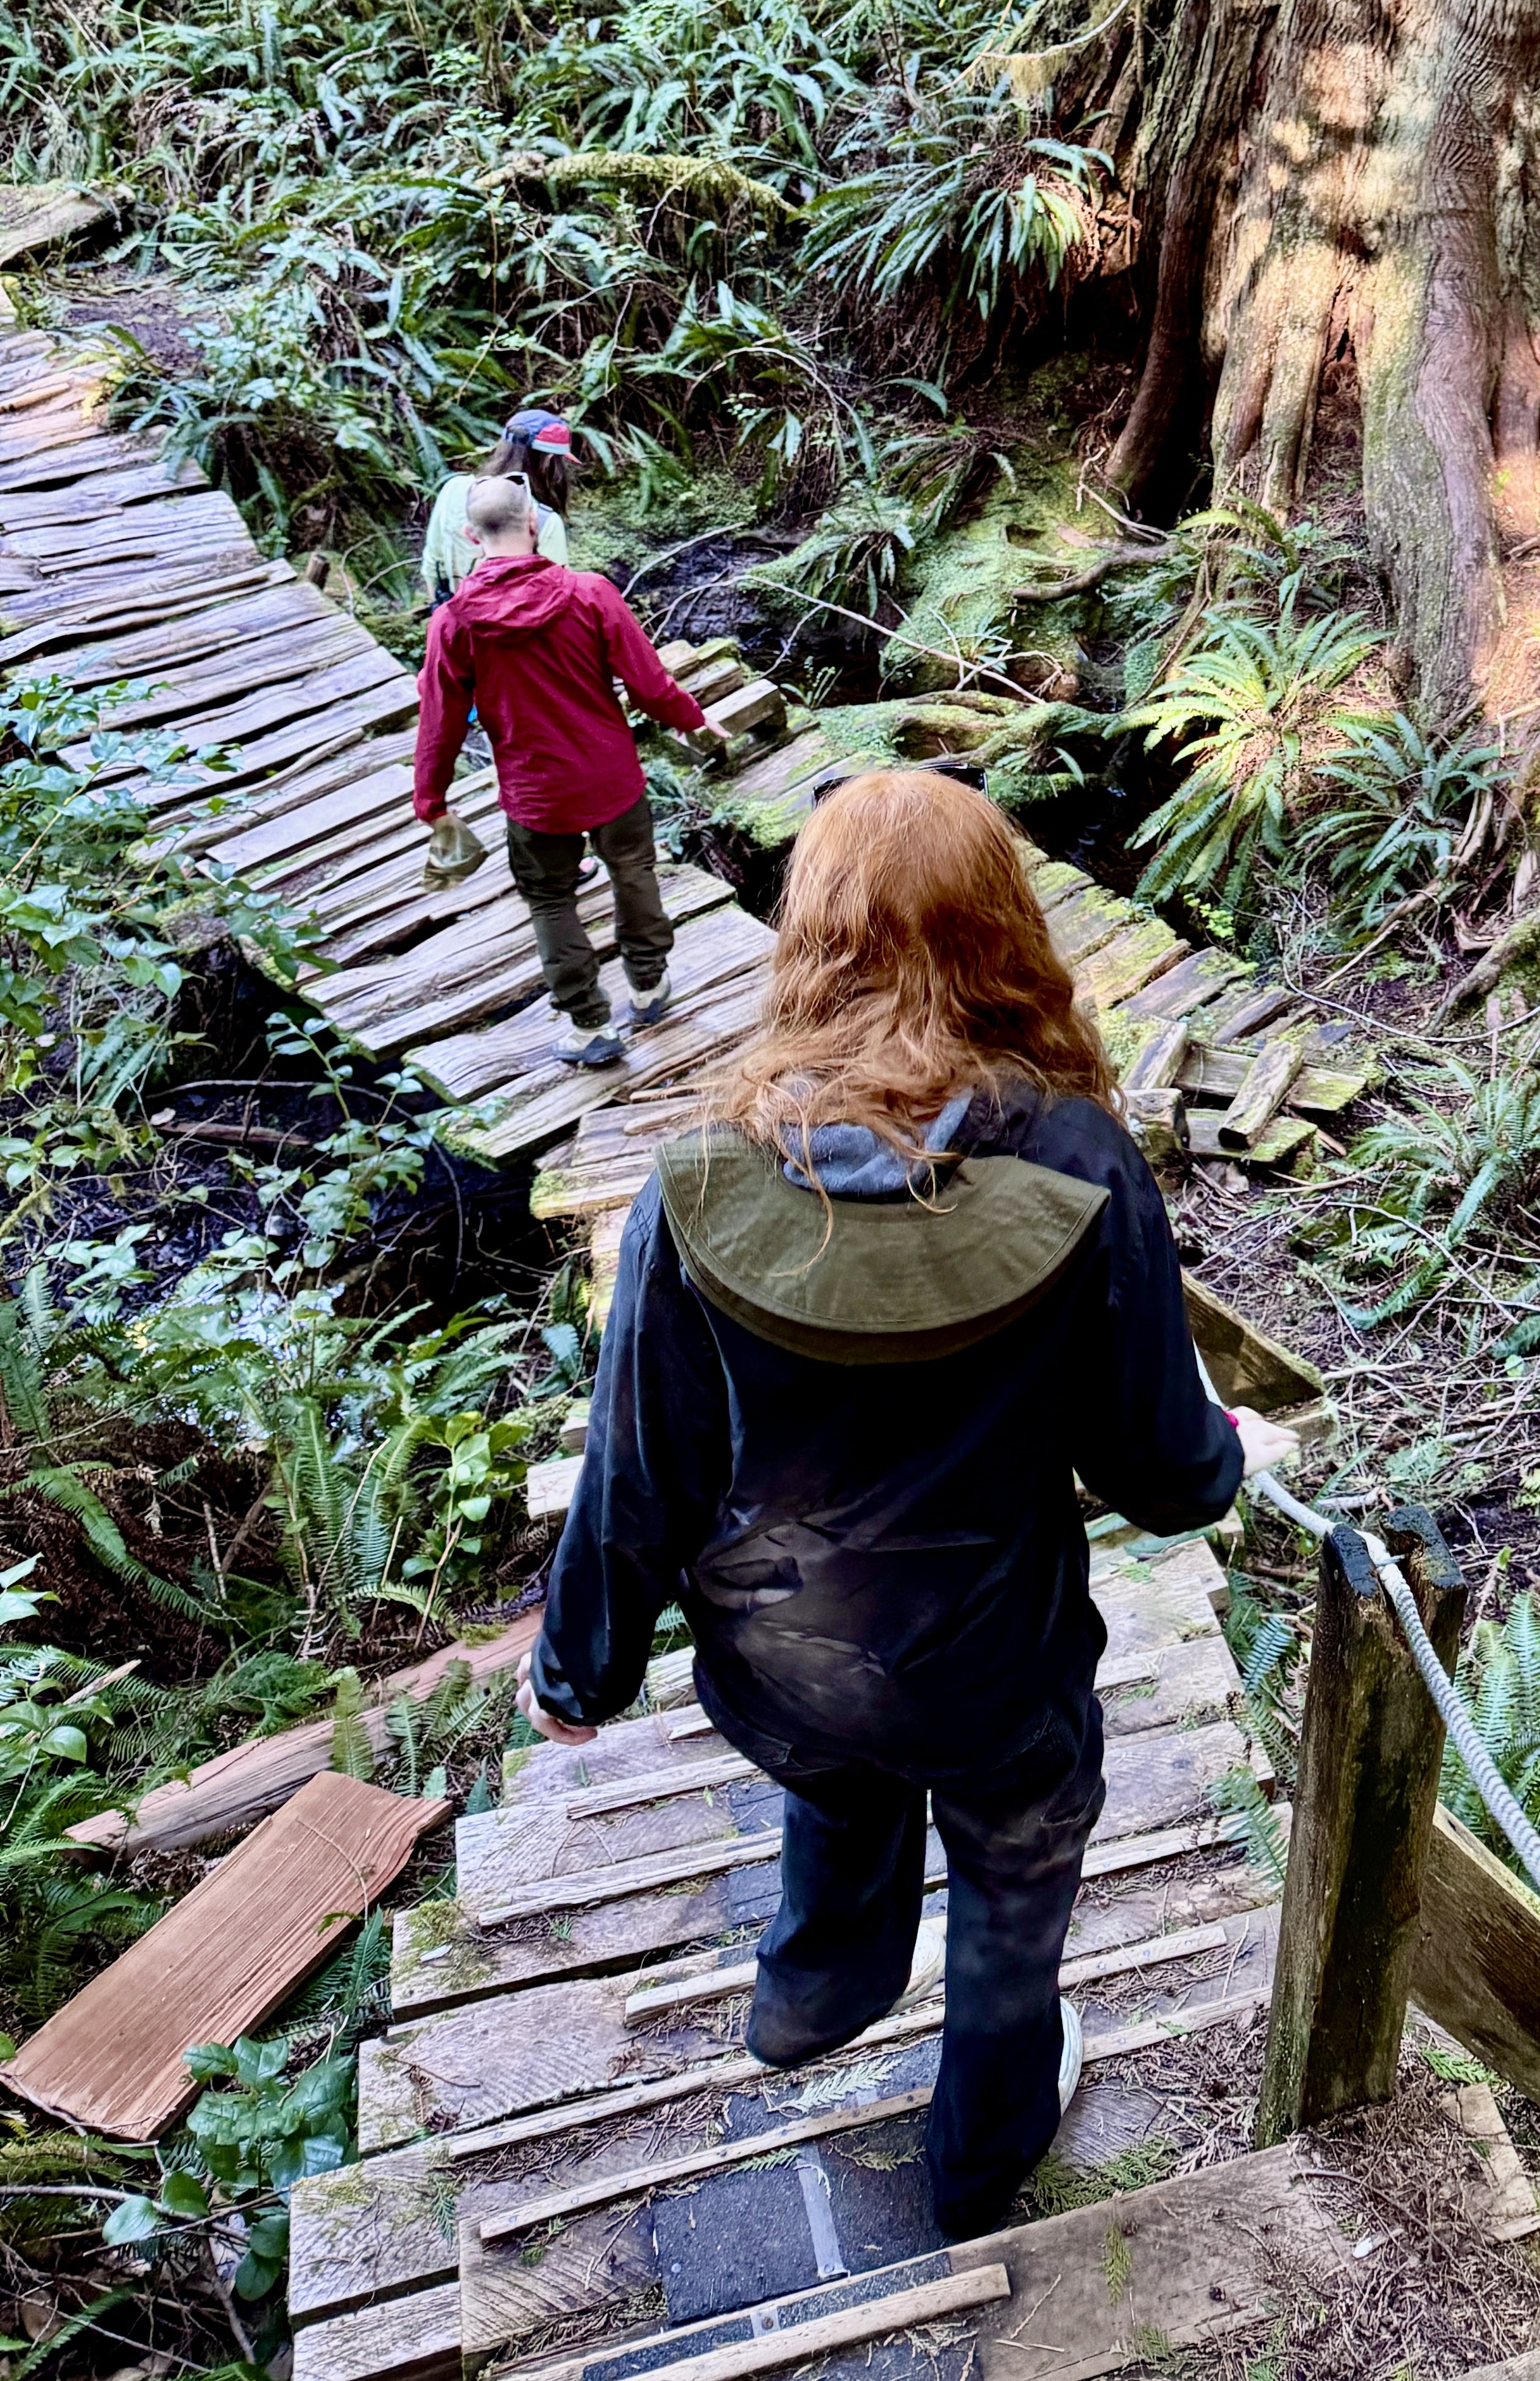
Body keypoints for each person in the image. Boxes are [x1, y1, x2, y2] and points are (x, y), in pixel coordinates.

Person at [514, 769, 1266, 2243]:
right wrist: (1221, 1449)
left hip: (784, 1664)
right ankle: (980, 2161)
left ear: (812, 934)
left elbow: (639, 1469)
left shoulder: (697, 1180)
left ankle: (816, 1993)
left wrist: (577, 1670)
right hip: (995, 1670)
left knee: (841, 1775)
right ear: (1005, 929)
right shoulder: (1078, 1160)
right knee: (1012, 1877)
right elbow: (1169, 1478)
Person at [414, 474, 711, 1068]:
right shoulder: (591, 593)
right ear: (533, 524)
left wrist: (432, 800)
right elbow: (649, 683)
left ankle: (590, 1025)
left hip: (535, 792)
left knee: (551, 901)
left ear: (471, 536)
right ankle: (649, 986)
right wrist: (692, 718)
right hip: (610, 774)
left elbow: (440, 721)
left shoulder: (453, 623)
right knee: (633, 872)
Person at [421, 407, 578, 604]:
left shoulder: (454, 488)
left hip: (459, 612)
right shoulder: (543, 519)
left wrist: (442, 613)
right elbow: (557, 594)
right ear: (549, 460)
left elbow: (432, 564)